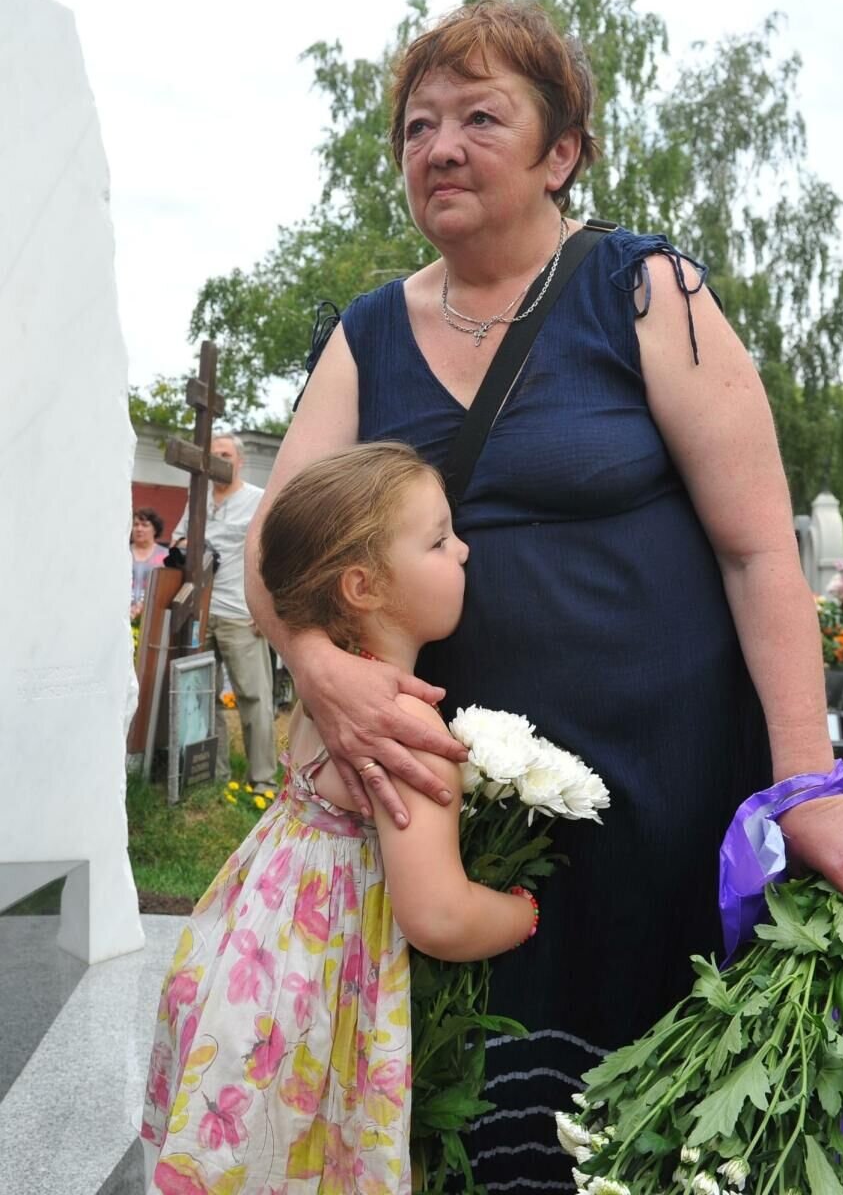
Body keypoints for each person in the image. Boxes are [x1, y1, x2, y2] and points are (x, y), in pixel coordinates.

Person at [245, 2, 843, 1186]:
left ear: (561, 153)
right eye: (417, 125)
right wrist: (321, 667)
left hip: (668, 796)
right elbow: (274, 551)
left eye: (479, 118)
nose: (437, 146)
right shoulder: (363, 337)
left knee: (663, 1130)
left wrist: (804, 780)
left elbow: (759, 552)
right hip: (466, 824)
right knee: (478, 1122)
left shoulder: (642, 290)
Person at [140, 441, 538, 1192]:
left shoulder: (326, 705)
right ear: (363, 586)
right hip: (328, 989)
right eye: (439, 538)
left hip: (256, 967)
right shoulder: (411, 737)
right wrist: (522, 913)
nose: (465, 549)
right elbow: (438, 916)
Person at [174, 434, 276, 792]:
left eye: (225, 454)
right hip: (200, 614)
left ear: (240, 461)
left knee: (254, 698)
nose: (218, 460)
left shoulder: (258, 500)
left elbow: (277, 556)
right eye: (213, 454)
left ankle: (262, 780)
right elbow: (177, 540)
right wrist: (188, 546)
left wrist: (269, 609)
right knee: (201, 696)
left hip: (240, 614)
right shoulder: (198, 500)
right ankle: (211, 774)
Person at [129, 506, 168, 619]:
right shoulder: (123, 553)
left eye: (145, 525)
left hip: (152, 614)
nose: (139, 529)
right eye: (135, 525)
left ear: (155, 529)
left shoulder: (165, 556)